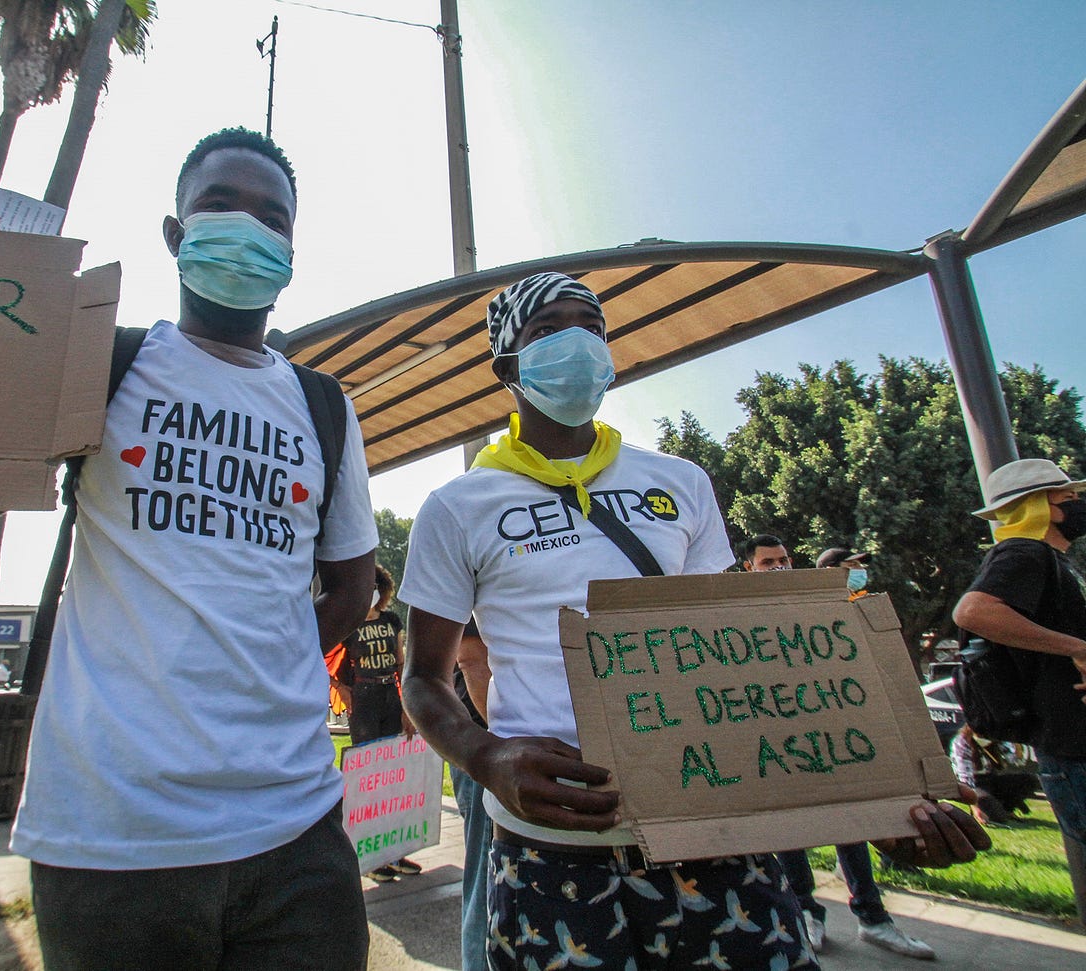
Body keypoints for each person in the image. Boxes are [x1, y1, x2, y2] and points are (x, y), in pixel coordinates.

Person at [0, 127, 377, 971]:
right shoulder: (100, 364)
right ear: (175, 235)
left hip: (297, 833)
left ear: (292, 247)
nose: (246, 228)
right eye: (219, 206)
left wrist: (260, 659)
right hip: (112, 840)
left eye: (270, 216)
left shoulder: (323, 406)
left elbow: (352, 586)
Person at [399, 272, 989, 971]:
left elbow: (736, 659)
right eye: (549, 329)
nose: (579, 344)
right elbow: (423, 680)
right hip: (550, 850)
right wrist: (487, 757)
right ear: (508, 366)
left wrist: (871, 802)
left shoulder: (680, 481)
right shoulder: (458, 505)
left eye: (592, 327)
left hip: (715, 839)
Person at [744, 537, 936, 959]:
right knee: (792, 833)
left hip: (832, 733)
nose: (778, 567)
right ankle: (807, 912)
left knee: (852, 827)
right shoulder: (744, 612)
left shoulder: (821, 602)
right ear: (749, 568)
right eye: (767, 562)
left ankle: (873, 918)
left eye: (784, 560)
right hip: (783, 741)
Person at [954, 458, 1086, 865]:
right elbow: (972, 612)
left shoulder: (1053, 561)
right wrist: (1077, 648)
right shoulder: (1023, 552)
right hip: (1073, 747)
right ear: (1040, 505)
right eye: (1070, 496)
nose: (1080, 502)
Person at [337, 565, 421, 882]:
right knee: (367, 778)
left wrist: (407, 709)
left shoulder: (391, 620)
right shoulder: (348, 625)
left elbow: (401, 662)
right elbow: (325, 657)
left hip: (389, 696)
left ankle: (395, 852)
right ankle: (368, 858)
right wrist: (343, 691)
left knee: (392, 777)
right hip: (364, 698)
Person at [449, 619, 493, 971]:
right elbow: (472, 659)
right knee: (487, 877)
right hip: (491, 746)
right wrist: (503, 747)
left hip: (487, 743)